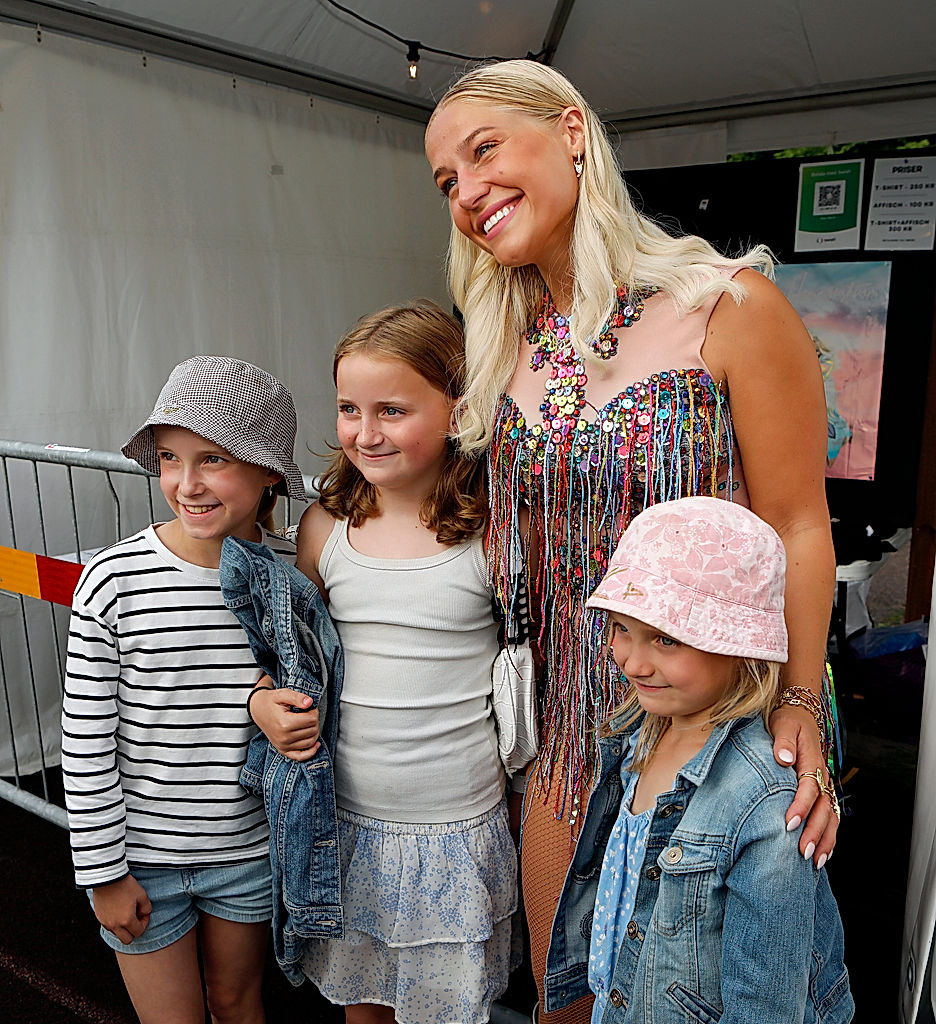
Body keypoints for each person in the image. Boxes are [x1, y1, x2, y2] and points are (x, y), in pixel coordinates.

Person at [424, 59, 839, 1023]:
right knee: (571, 992)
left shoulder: (731, 303)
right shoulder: (500, 340)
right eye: (447, 181)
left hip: (719, 724)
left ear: (572, 130)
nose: (467, 192)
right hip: (571, 732)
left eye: (484, 150)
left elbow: (800, 526)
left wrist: (805, 706)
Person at [250, 300, 519, 1024]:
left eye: (392, 410)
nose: (364, 433)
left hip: (456, 826)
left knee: (445, 1012)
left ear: (458, 410)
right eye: (347, 408)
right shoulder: (324, 528)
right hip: (348, 821)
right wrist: (263, 700)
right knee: (361, 1007)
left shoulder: (492, 533)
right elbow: (290, 652)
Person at [62, 355, 307, 1024]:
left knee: (238, 1002)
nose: (185, 483)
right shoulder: (113, 581)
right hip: (141, 861)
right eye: (170, 457)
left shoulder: (290, 580)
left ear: (269, 473)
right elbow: (85, 745)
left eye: (214, 458)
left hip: (248, 854)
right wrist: (105, 873)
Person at [550, 496, 852, 1023]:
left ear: (740, 644)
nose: (634, 661)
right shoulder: (638, 732)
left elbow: (766, 1003)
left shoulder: (769, 804)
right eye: (622, 628)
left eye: (666, 639)